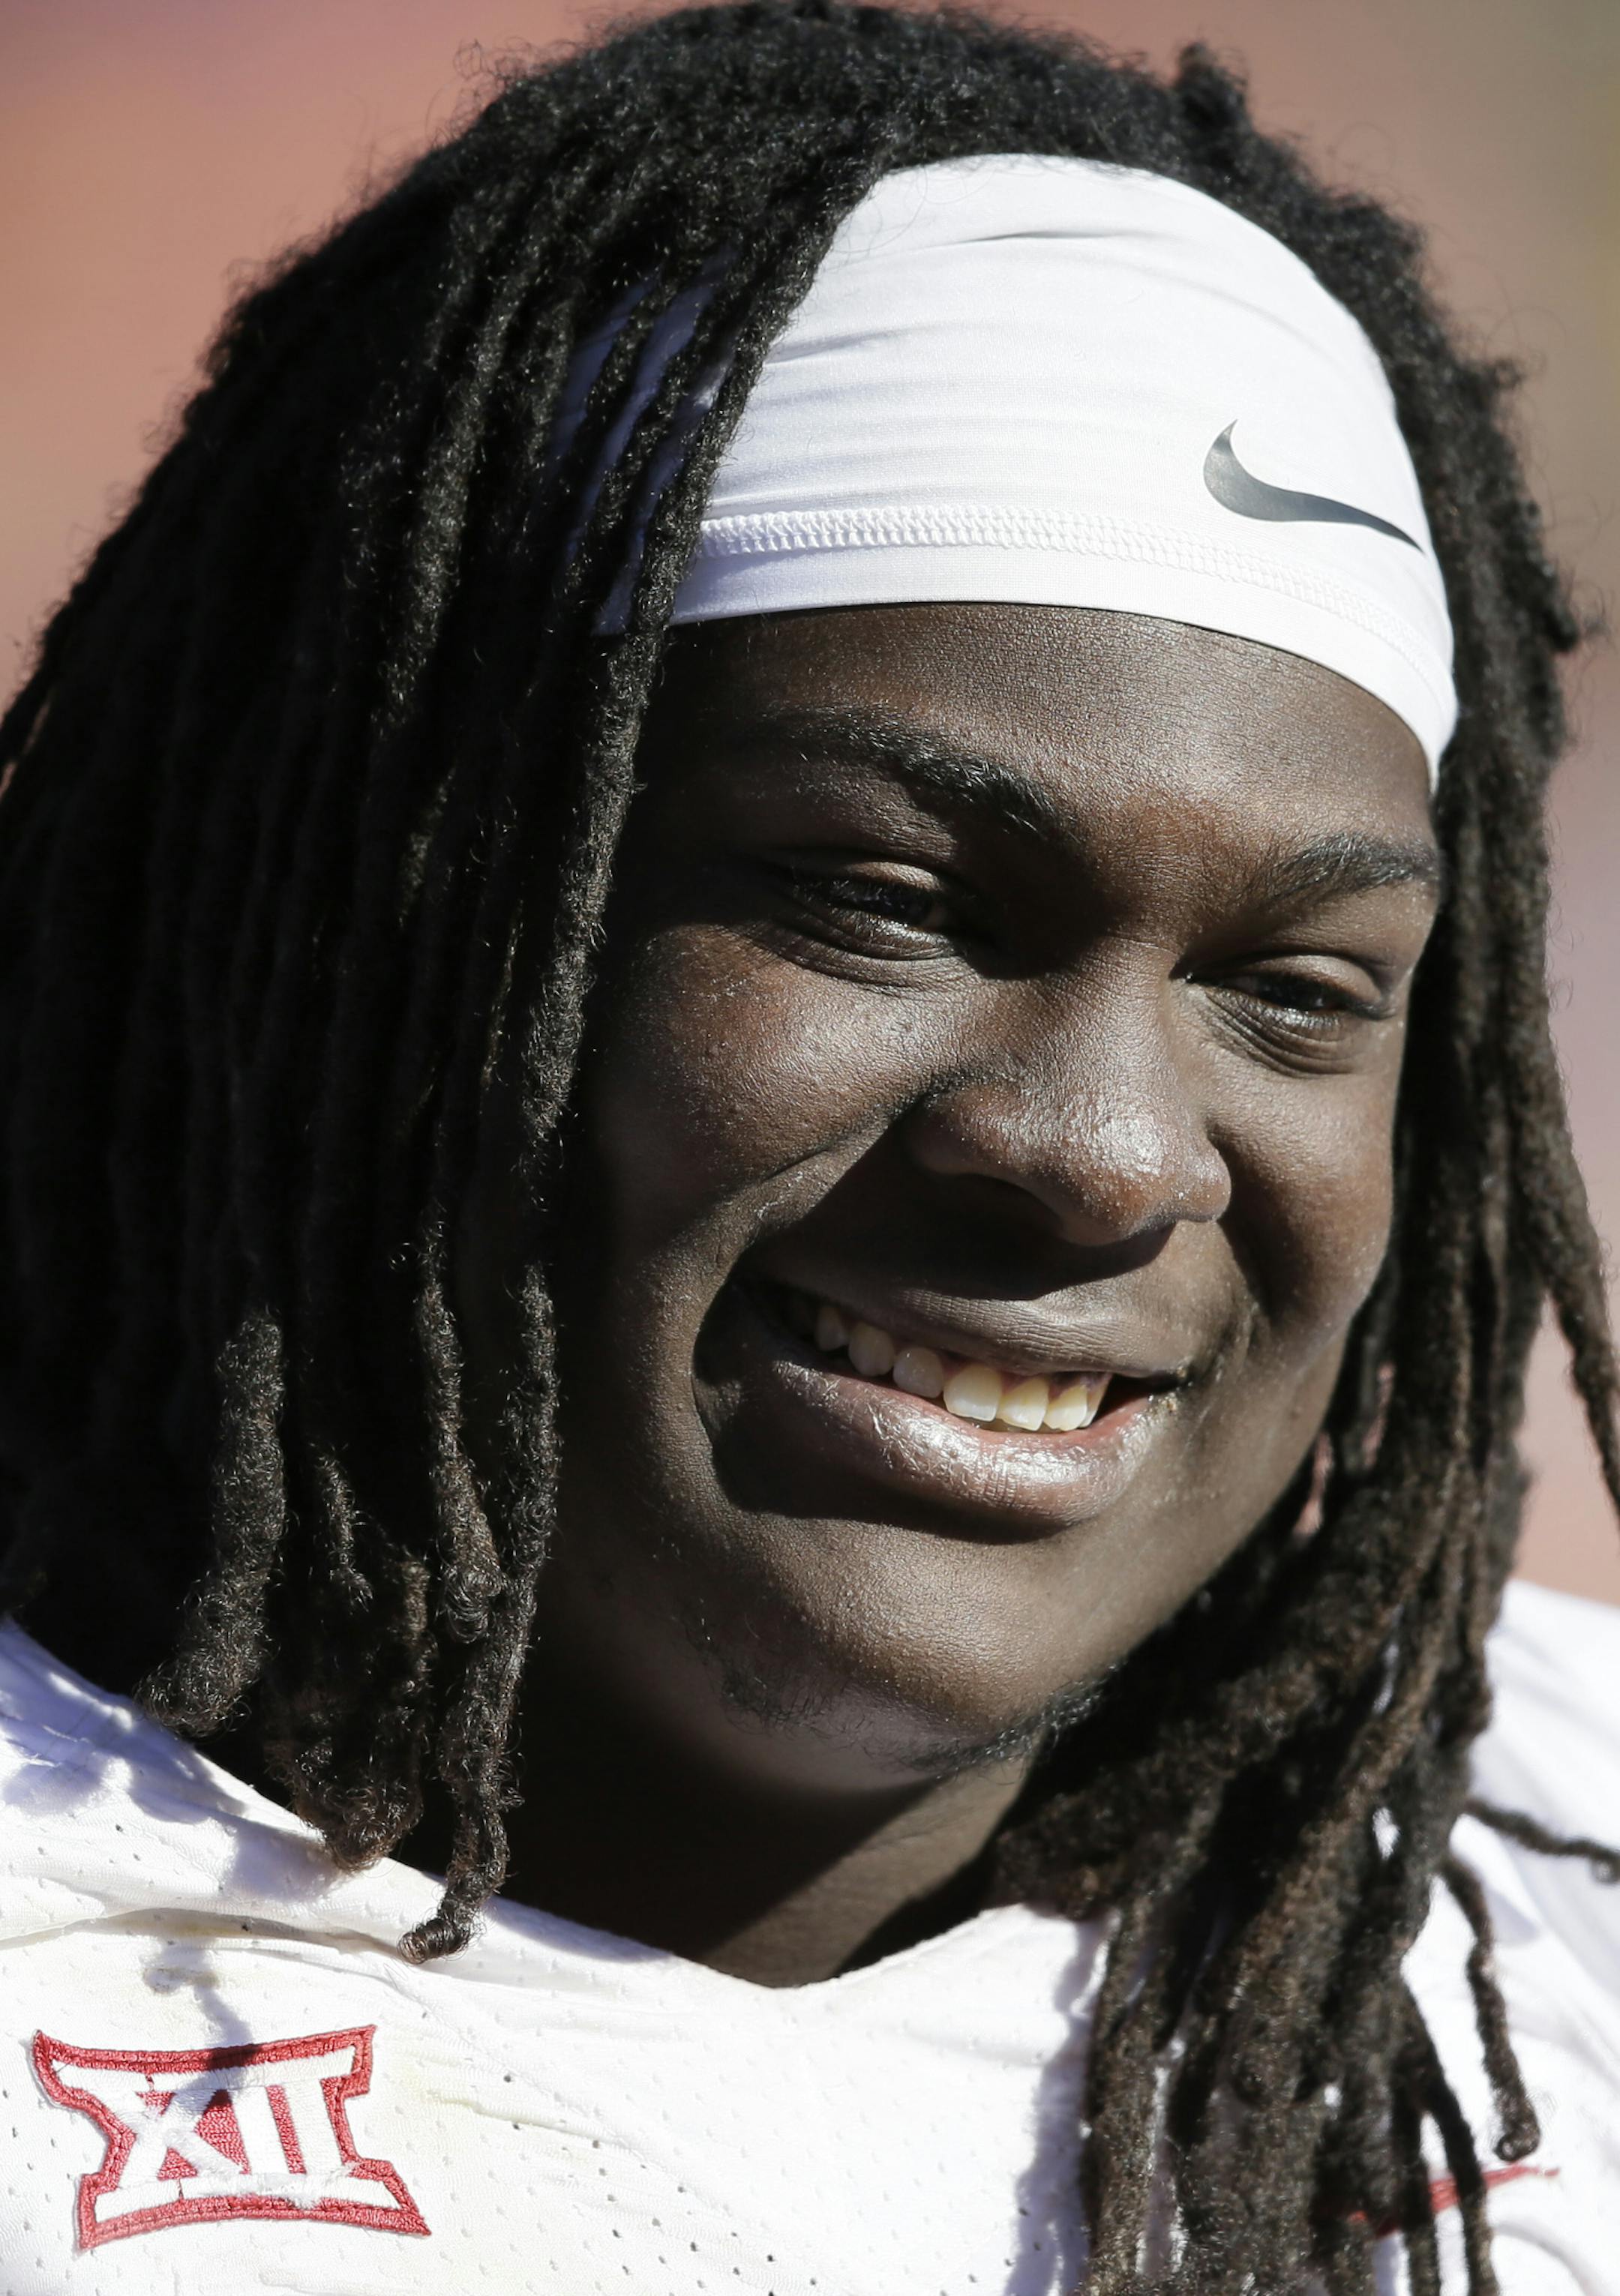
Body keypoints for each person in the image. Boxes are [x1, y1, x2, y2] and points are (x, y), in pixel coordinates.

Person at [2, 4, 1618, 2290]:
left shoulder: (1553, 1901)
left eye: (1295, 989)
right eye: (881, 899)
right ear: (381, 906)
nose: (1099, 1152)